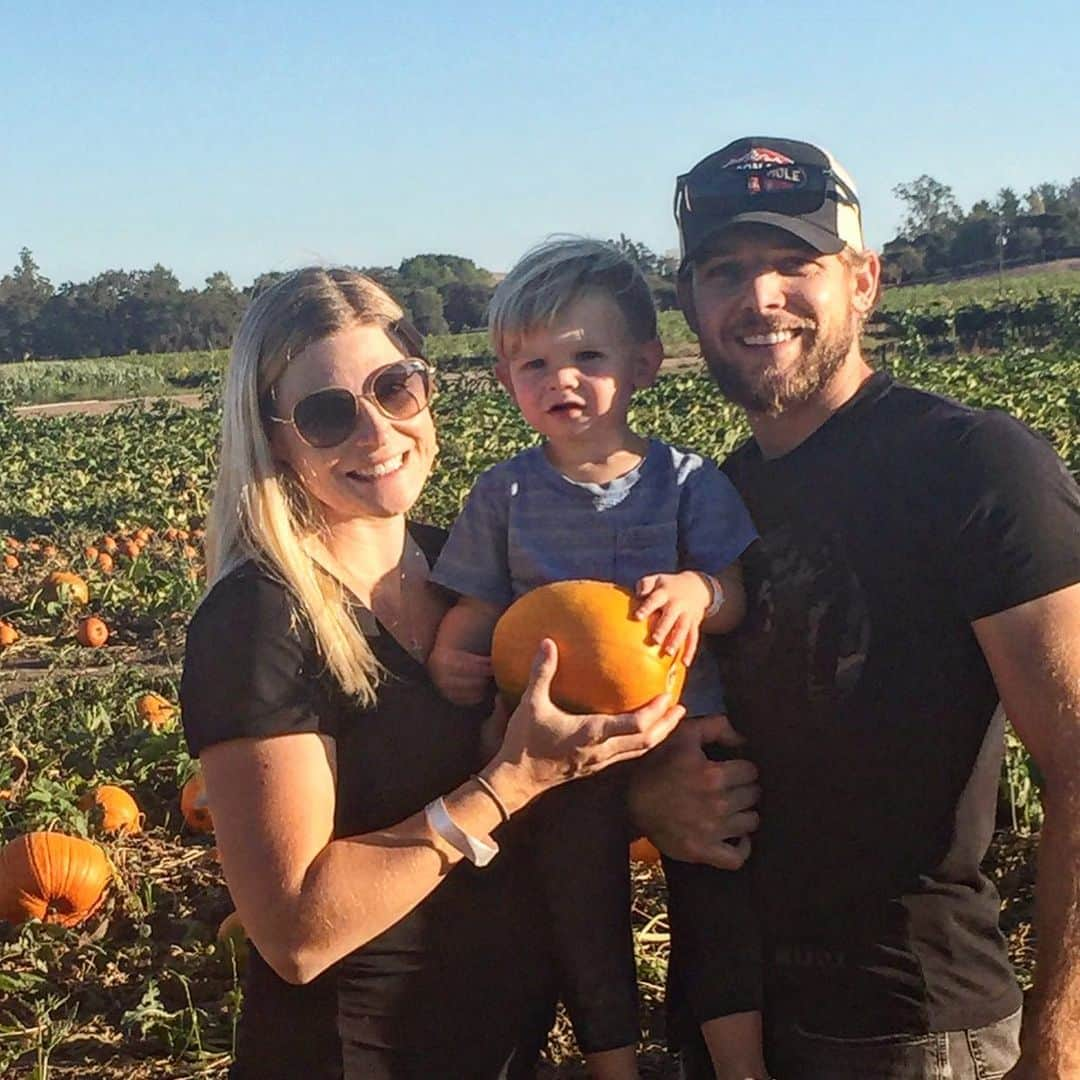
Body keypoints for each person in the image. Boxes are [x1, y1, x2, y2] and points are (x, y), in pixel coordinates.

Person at [628, 136, 1080, 1079]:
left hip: (912, 1030)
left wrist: (1062, 1044)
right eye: (726, 271)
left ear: (864, 281)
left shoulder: (972, 467)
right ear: (690, 304)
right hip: (735, 1019)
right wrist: (649, 800)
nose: (760, 298)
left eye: (797, 261)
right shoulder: (709, 504)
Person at [178, 266, 685, 1079]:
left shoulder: (473, 570)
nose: (375, 433)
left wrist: (655, 792)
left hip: (505, 1048)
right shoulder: (258, 620)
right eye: (327, 413)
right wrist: (508, 784)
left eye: (395, 388)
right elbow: (297, 934)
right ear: (274, 435)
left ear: (428, 390)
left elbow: (561, 789)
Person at [425, 238, 765, 1079]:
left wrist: (699, 595)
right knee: (583, 908)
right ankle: (614, 1064)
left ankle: (741, 1064)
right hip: (564, 746)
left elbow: (734, 595)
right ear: (506, 382)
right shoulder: (501, 494)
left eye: (587, 356)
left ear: (643, 364)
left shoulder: (687, 481)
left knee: (719, 895)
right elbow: (476, 606)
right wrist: (451, 658)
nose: (560, 379)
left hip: (683, 727)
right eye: (534, 364)